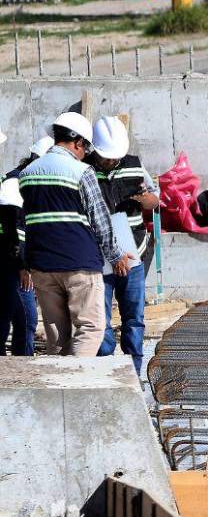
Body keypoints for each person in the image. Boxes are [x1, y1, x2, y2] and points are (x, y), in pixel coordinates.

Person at [18, 113, 134, 358]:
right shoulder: (81, 172)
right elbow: (100, 219)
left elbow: (28, 222)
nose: (85, 153)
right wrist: (115, 255)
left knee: (57, 335)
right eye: (86, 147)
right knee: (91, 327)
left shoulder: (27, 174)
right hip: (78, 264)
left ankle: (58, 390)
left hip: (41, 266)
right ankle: (74, 383)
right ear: (78, 143)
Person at [90, 117, 159, 374]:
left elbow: (155, 200)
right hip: (100, 256)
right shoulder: (85, 169)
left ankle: (134, 371)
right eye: (105, 157)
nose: (110, 162)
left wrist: (144, 199)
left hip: (133, 252)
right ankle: (106, 370)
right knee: (99, 319)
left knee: (134, 319)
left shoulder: (134, 165)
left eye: (113, 158)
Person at [0, 135, 52, 355]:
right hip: (11, 263)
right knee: (25, 319)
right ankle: (19, 370)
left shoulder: (30, 184)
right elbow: (15, 229)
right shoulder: (14, 184)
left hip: (18, 262)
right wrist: (23, 265)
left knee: (21, 321)